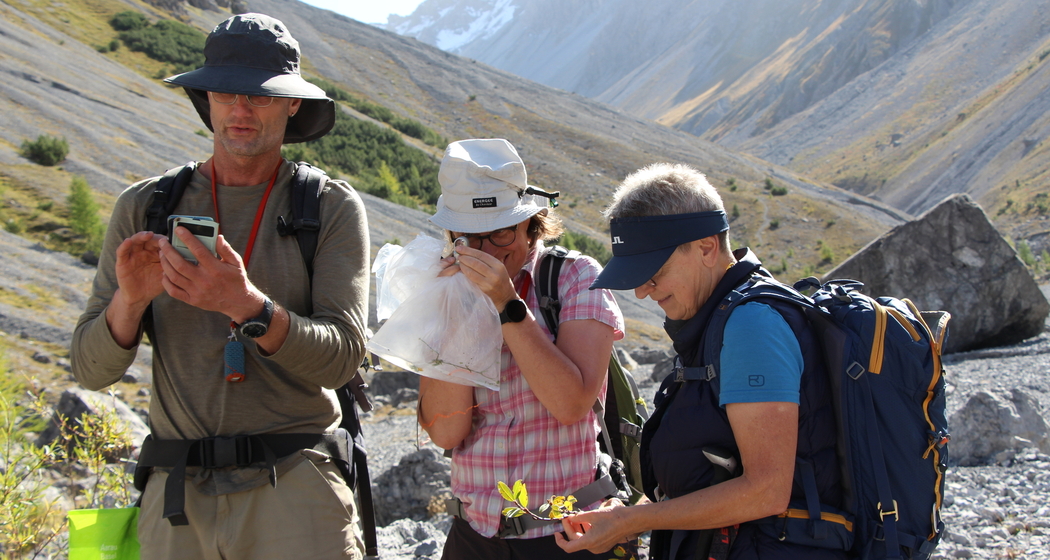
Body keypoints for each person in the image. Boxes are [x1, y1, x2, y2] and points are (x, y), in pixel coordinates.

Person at [70, 13, 370, 559]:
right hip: (177, 495)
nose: (239, 109)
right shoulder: (145, 207)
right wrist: (128, 301)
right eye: (226, 93)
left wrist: (246, 305)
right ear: (206, 97)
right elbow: (91, 371)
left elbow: (345, 359)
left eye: (259, 96)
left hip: (296, 486)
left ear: (292, 103)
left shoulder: (326, 207)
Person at [556, 163, 845, 560]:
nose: (643, 291)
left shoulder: (750, 325)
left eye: (654, 272)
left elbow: (766, 490)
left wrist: (632, 523)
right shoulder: (716, 319)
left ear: (707, 247)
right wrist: (634, 513)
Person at [418, 138, 627, 559]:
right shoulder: (446, 290)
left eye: (499, 233)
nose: (487, 252)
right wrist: (454, 314)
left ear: (530, 222)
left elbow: (571, 404)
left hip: (569, 535)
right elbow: (446, 431)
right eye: (468, 238)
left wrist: (506, 303)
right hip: (476, 537)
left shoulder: (574, 277)